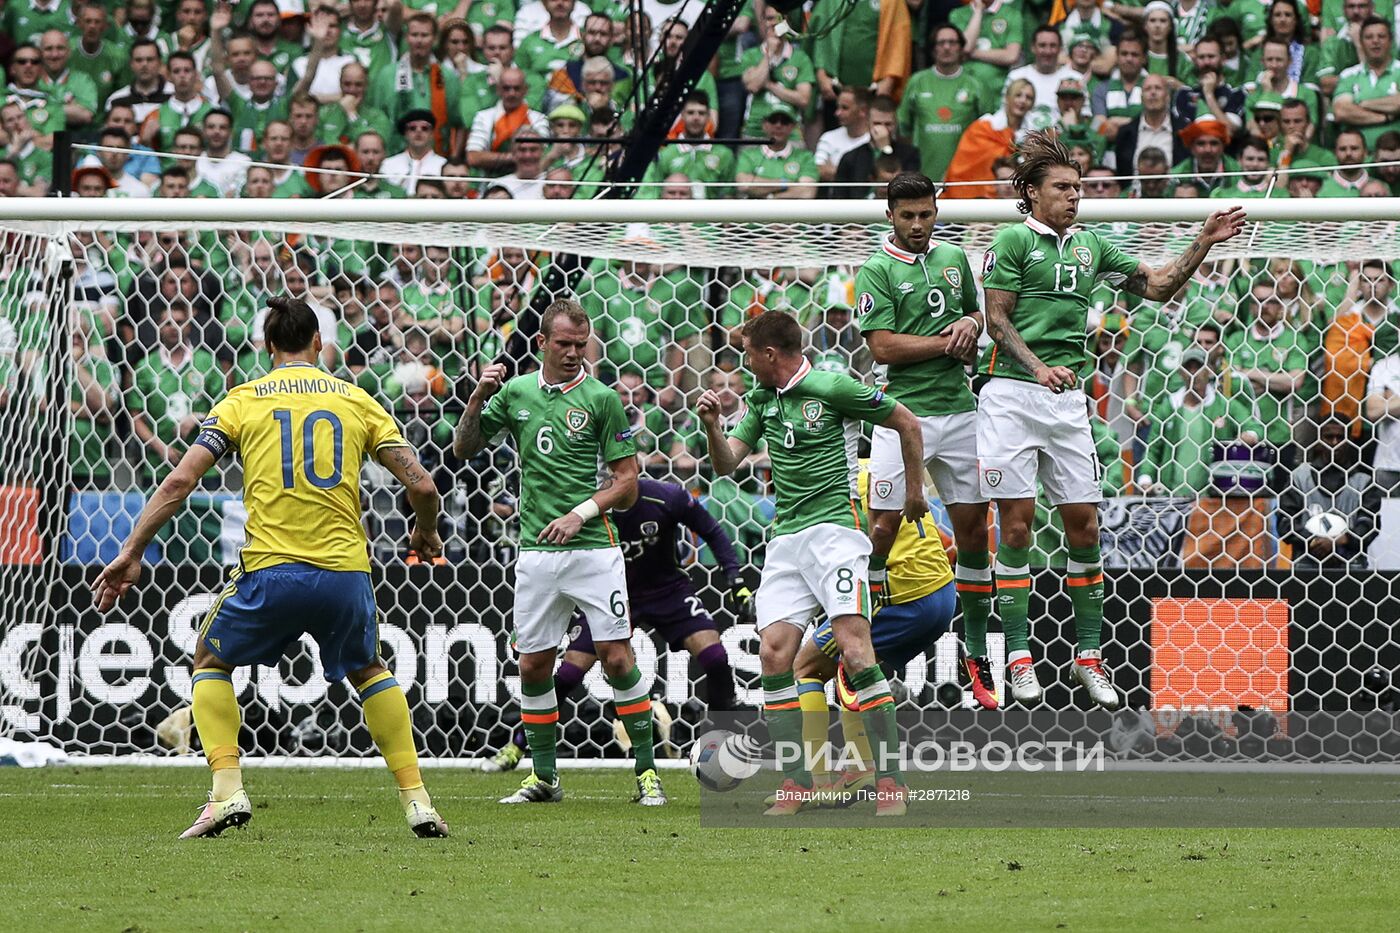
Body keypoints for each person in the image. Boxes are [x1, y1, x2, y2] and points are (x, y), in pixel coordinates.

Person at [93, 296, 448, 840]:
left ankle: (227, 791)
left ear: (266, 348)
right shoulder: (356, 399)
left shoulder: (243, 400)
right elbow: (422, 484)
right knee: (369, 669)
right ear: (317, 345)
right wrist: (424, 530)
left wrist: (133, 549)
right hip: (343, 573)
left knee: (210, 658)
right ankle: (418, 801)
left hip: (271, 571)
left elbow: (180, 481)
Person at [977, 130, 1246, 708]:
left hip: (1066, 401)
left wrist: (1204, 240)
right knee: (1018, 527)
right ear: (1030, 192)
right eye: (1063, 188)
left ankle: (1089, 656)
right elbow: (996, 321)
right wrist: (1039, 366)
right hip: (1011, 395)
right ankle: (1020, 657)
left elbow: (1158, 287)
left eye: (1078, 188)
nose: (1074, 197)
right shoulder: (1011, 240)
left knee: (1086, 529)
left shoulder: (1092, 246)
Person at [695, 310, 927, 817]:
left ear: (769, 354)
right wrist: (712, 426)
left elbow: (905, 421)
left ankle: (891, 781)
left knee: (854, 648)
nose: (744, 362)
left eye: (748, 353)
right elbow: (726, 462)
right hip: (786, 541)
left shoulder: (830, 387)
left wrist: (914, 491)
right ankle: (796, 784)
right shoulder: (761, 400)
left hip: (836, 535)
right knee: (775, 655)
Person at [452, 300, 665, 807]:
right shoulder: (517, 392)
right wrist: (479, 396)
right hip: (537, 552)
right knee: (532, 666)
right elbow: (463, 448)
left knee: (616, 658)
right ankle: (544, 777)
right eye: (564, 344)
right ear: (543, 343)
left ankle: (646, 774)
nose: (573, 353)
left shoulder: (602, 399)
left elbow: (628, 483)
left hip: (594, 549)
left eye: (580, 344)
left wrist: (581, 514)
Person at [481, 477, 752, 772]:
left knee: (715, 657)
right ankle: (518, 745)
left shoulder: (666, 497)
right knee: (570, 672)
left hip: (668, 591)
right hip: (610, 593)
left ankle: (721, 741)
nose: (612, 478)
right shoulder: (588, 509)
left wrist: (735, 579)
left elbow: (712, 531)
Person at [854, 171, 996, 710]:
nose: (918, 224)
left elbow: (977, 317)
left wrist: (970, 322)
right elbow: (883, 348)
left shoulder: (955, 258)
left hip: (960, 412)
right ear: (889, 215)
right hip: (899, 414)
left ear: (936, 211)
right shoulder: (875, 269)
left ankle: (977, 654)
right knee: (883, 527)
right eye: (907, 215)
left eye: (926, 214)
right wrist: (947, 340)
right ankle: (862, 631)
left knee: (975, 534)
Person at [790, 462, 958, 801]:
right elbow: (944, 542)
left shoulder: (840, 483)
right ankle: (859, 768)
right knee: (855, 668)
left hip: (903, 596)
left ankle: (816, 783)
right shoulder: (888, 470)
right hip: (944, 594)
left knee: (807, 667)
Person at [1278, 417, 1382, 568]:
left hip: (1351, 567)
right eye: (1328, 437)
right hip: (1306, 566)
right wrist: (1313, 541)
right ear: (1319, 440)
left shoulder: (1364, 482)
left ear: (1349, 440)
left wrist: (1342, 540)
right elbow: (1285, 522)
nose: (1334, 443)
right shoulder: (1299, 478)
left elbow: (1369, 524)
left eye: (1340, 438)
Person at [943, 78, 1034, 199]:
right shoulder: (984, 126)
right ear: (1007, 97)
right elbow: (964, 164)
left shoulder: (1032, 134)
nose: (1023, 101)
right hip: (974, 198)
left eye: (1029, 97)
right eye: (1018, 95)